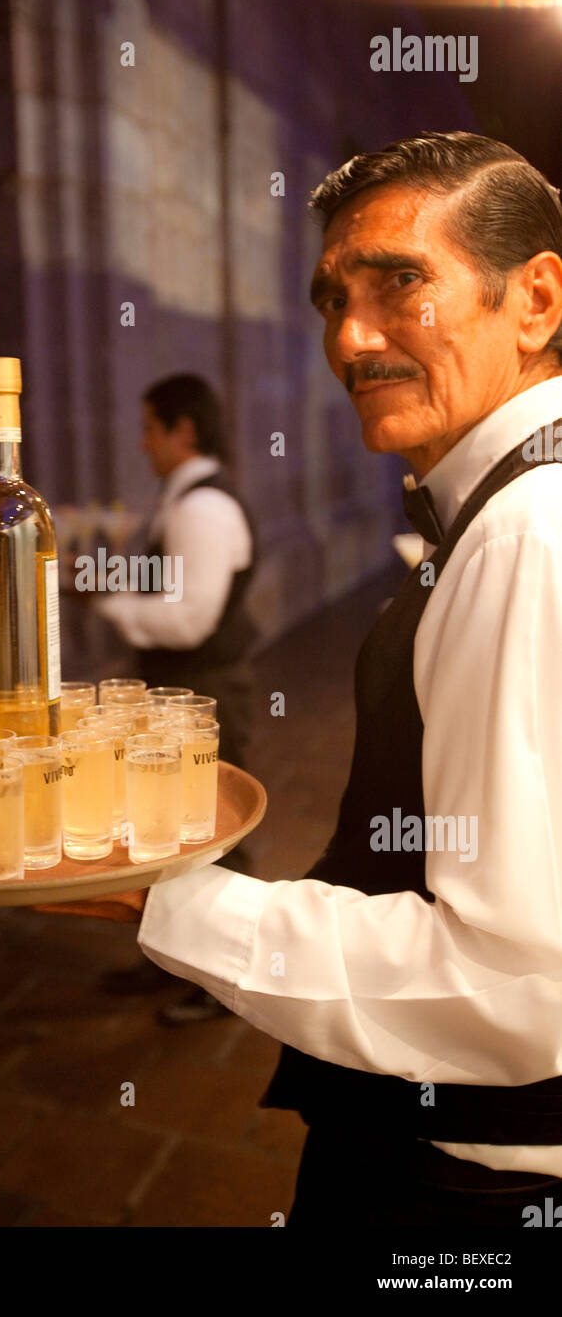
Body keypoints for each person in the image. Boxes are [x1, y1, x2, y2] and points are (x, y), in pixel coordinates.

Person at [44, 132, 562, 1226]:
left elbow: (521, 987)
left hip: (458, 1176)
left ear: (533, 301)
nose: (350, 338)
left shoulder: (527, 533)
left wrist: (174, 901)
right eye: (331, 299)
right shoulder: (505, 513)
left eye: (398, 284)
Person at [93, 375, 260, 1022]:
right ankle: (170, 959)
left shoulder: (203, 509)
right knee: (167, 830)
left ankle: (220, 985)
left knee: (215, 834)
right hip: (185, 691)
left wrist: (110, 602)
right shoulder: (184, 500)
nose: (143, 443)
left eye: (149, 428)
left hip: (207, 692)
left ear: (182, 430)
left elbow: (190, 619)